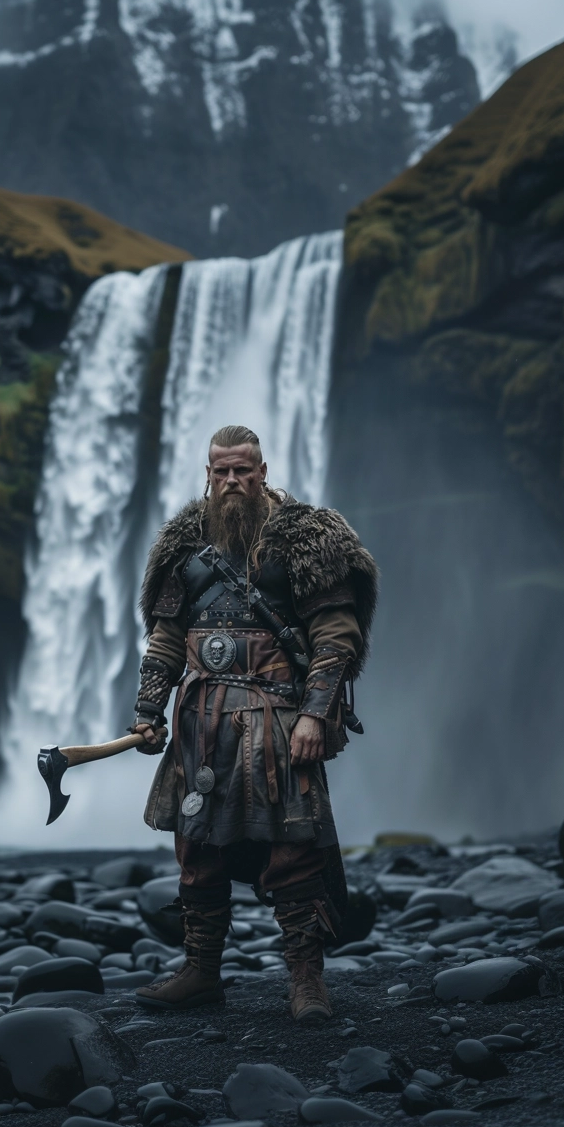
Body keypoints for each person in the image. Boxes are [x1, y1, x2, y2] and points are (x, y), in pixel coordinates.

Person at [130, 424, 378, 1024]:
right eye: (223, 472)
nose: (233, 481)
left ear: (263, 471)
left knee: (294, 851)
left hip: (278, 720)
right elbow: (165, 638)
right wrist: (147, 709)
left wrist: (315, 715)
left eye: (244, 470)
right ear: (207, 474)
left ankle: (306, 982)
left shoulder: (305, 539)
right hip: (202, 723)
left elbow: (336, 637)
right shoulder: (184, 547)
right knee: (197, 850)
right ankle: (201, 972)